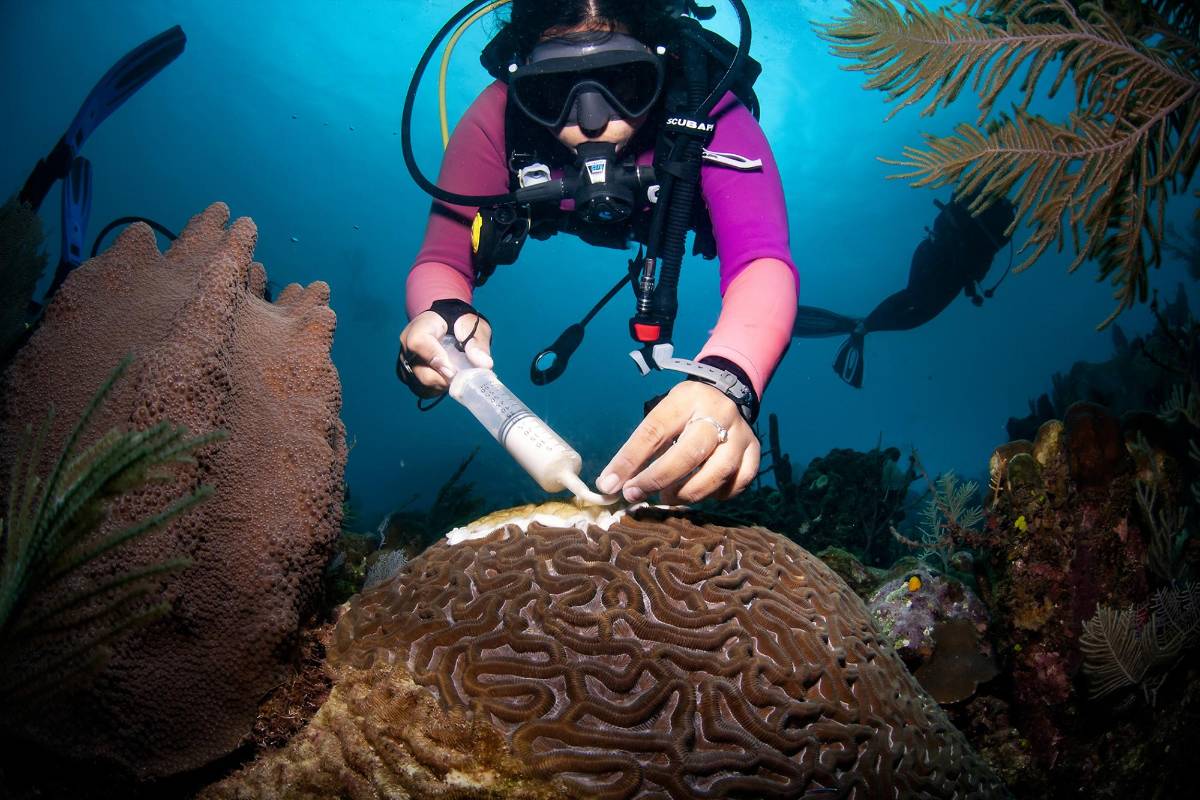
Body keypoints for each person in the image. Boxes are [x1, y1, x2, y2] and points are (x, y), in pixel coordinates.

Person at [396, 0, 797, 504]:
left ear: (660, 64)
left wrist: (730, 378)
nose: (591, 121)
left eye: (624, 83)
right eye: (553, 91)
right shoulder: (498, 116)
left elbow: (761, 259)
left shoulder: (708, 105)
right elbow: (443, 258)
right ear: (524, 82)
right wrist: (443, 314)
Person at [791, 192, 1015, 388]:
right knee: (915, 304)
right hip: (941, 262)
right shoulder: (999, 217)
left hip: (940, 260)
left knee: (916, 307)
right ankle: (864, 326)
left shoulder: (990, 211)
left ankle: (865, 325)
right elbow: (980, 255)